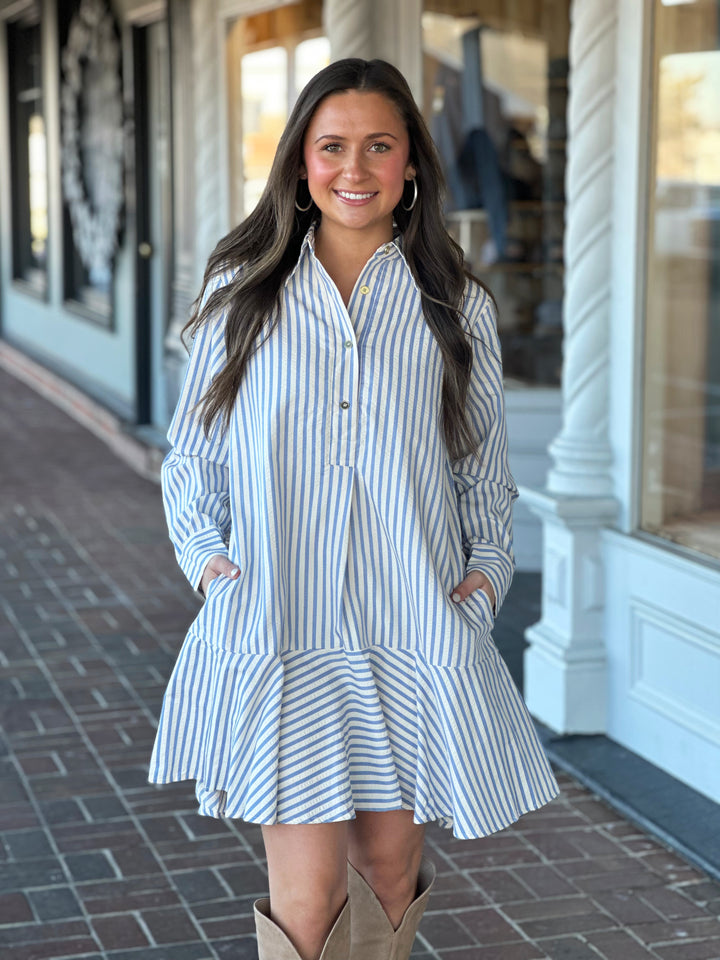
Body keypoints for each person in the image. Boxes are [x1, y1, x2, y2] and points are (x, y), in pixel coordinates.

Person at [148, 58, 558, 960]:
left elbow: (483, 478)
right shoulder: (238, 304)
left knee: (386, 881)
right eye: (331, 147)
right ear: (301, 163)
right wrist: (215, 571)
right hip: (286, 635)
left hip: (409, 636)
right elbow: (192, 464)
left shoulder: (457, 310)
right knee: (305, 905)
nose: (355, 170)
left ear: (412, 163)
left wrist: (482, 587)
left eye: (380, 145)